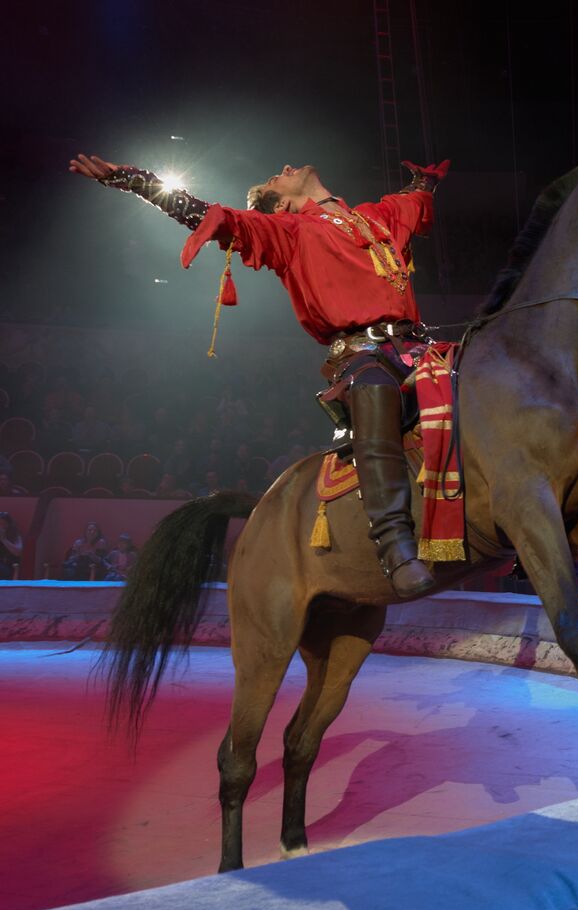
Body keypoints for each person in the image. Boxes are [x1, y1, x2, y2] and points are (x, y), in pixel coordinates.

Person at [70, 152, 449, 598]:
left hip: (420, 349)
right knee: (374, 387)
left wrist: (424, 181)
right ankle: (394, 546)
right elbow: (204, 213)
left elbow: (411, 200)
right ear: (281, 205)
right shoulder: (286, 230)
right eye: (276, 177)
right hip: (364, 356)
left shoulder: (374, 217)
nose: (286, 167)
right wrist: (132, 179)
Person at [0, 512, 22, 580]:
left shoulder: (14, 536)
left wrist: (4, 540)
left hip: (8, 565)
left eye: (3, 524)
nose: (1, 527)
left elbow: (18, 552)